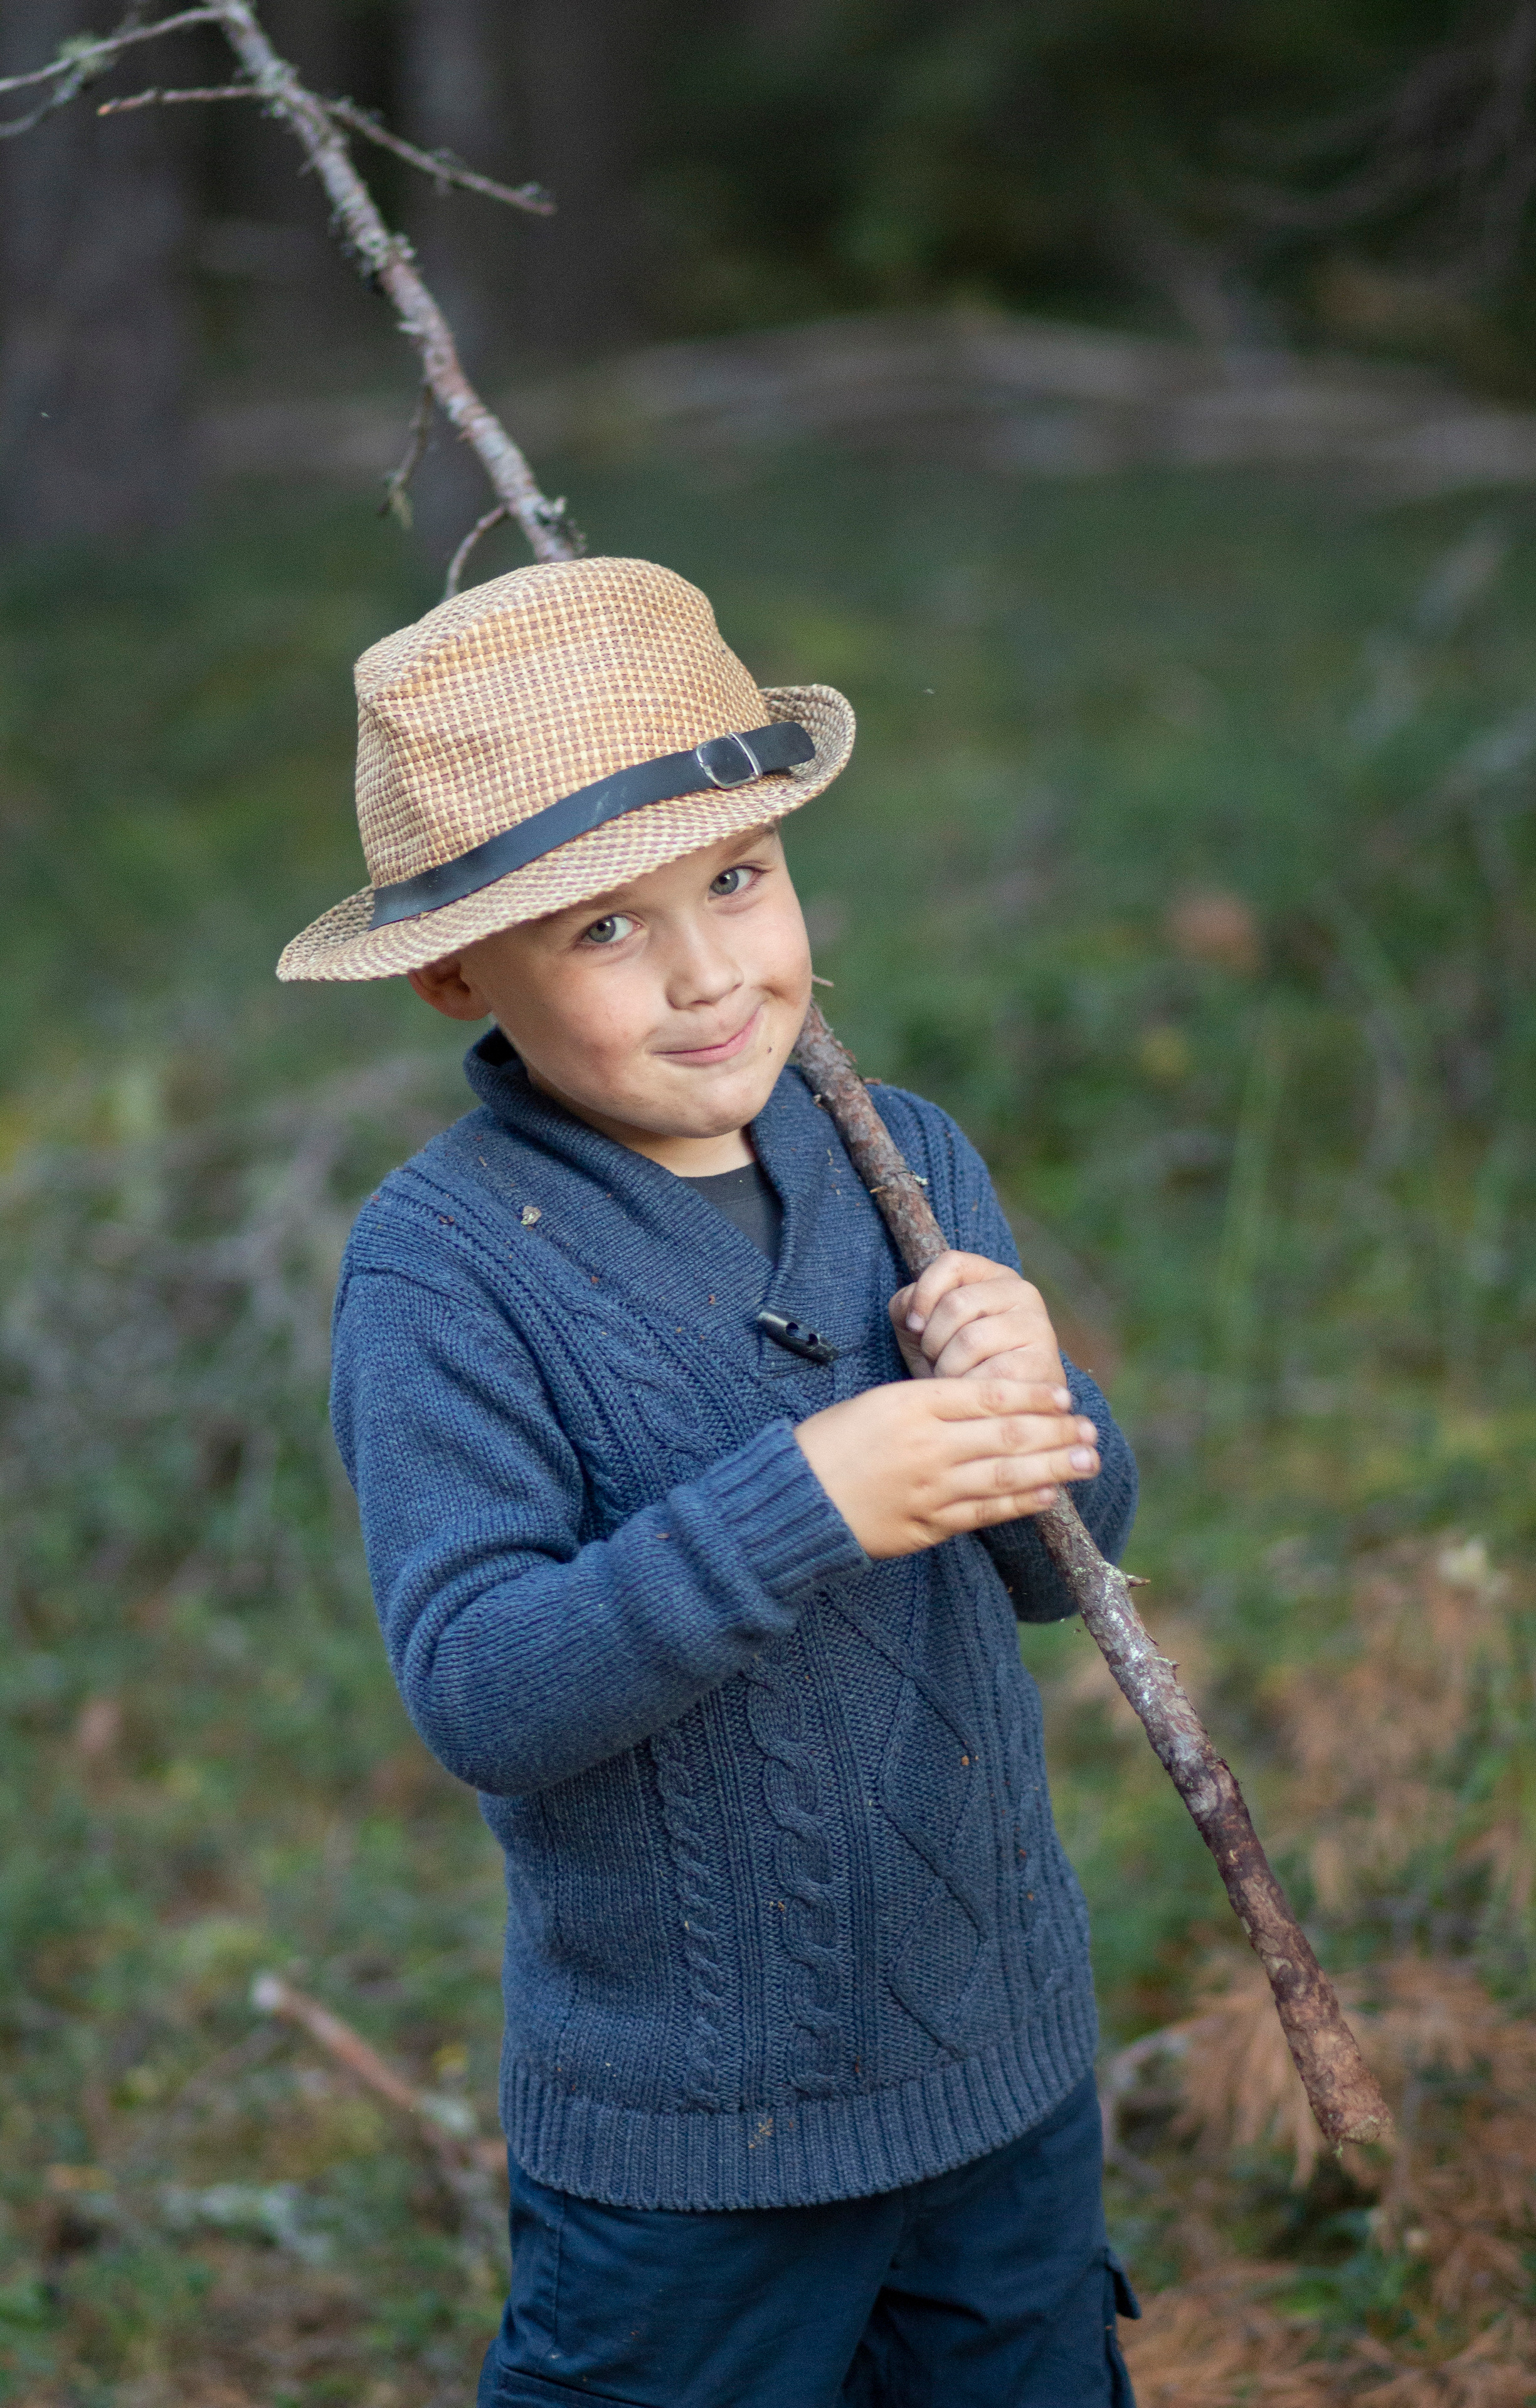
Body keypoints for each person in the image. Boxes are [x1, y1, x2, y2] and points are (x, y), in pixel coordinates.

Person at [280, 554, 1141, 2407]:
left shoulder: (895, 1155)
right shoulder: (449, 1268)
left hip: (1000, 2052)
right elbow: (488, 1688)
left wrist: (1038, 1404)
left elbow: (1063, 1571)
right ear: (456, 973)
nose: (704, 975)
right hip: (697, 2144)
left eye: (737, 881)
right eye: (603, 929)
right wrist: (805, 1498)